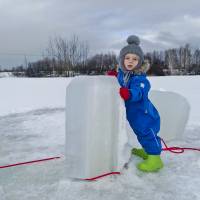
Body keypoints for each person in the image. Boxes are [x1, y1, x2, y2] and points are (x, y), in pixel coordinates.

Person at [117, 35, 164, 172]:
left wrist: (130, 93)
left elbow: (140, 91)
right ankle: (146, 151)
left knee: (147, 133)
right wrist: (112, 77)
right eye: (127, 58)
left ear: (140, 62)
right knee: (139, 133)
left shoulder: (140, 78)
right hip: (133, 114)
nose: (130, 61)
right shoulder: (123, 74)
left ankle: (155, 158)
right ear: (122, 60)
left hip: (144, 113)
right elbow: (120, 81)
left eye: (135, 59)